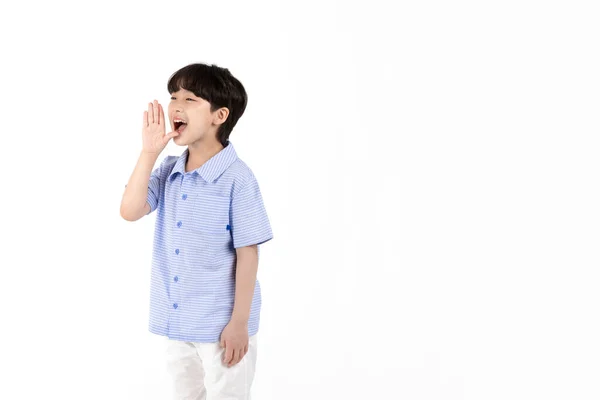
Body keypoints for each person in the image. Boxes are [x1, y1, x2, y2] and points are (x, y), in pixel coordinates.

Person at [120, 63, 273, 399]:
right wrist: (149, 153)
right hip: (178, 321)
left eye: (190, 99)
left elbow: (248, 253)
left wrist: (239, 324)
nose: (176, 105)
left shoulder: (238, 178)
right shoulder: (169, 169)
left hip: (222, 325)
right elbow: (130, 210)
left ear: (220, 116)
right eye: (173, 96)